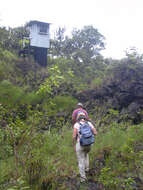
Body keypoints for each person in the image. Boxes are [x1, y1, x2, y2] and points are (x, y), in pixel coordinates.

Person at [72, 115, 97, 183]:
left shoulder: (76, 125)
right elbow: (95, 133)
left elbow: (74, 136)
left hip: (80, 144)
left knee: (81, 160)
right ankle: (87, 169)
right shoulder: (89, 123)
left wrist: (74, 145)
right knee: (86, 154)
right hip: (89, 145)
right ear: (84, 119)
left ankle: (83, 178)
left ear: (78, 119)